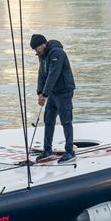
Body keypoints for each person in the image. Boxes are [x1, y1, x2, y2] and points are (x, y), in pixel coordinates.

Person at [31, 34, 77, 164]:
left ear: (42, 44)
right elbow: (41, 74)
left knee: (66, 121)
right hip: (52, 93)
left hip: (64, 92)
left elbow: (53, 74)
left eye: (36, 49)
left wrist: (45, 95)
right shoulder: (42, 56)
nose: (36, 51)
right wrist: (40, 92)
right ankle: (47, 151)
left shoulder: (57, 53)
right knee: (48, 120)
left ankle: (69, 151)